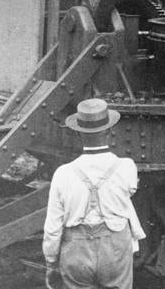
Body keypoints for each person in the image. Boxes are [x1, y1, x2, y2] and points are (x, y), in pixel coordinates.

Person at [43, 98, 145, 289]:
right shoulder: (126, 167)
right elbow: (130, 191)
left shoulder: (62, 173)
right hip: (114, 249)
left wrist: (50, 261)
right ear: (108, 131)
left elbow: (52, 227)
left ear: (79, 134)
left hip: (76, 250)